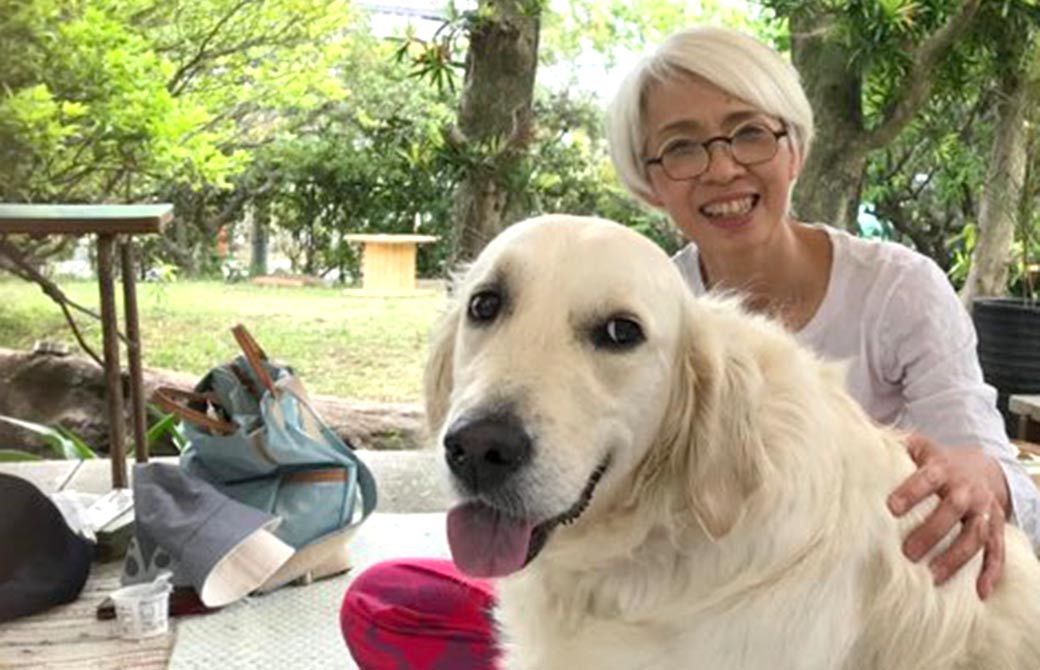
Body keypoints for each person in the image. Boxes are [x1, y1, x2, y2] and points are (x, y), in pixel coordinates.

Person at [340, 25, 1040, 669]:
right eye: (681, 146)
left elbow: (995, 476)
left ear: (793, 147)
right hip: (609, 565)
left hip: (819, 580)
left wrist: (982, 474)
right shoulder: (648, 288)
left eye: (749, 134)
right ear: (650, 178)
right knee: (384, 597)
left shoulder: (896, 287)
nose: (721, 167)